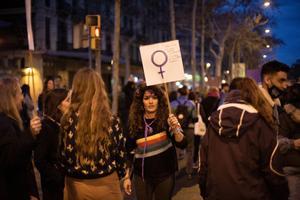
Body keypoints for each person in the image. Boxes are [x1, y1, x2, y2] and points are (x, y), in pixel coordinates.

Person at [199, 77, 288, 200]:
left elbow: (203, 166)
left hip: (216, 194)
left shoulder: (212, 125)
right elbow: (273, 169)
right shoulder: (261, 124)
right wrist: (282, 194)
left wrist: (205, 192)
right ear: (254, 94)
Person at [59, 68, 127, 200]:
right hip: (107, 185)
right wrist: (122, 174)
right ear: (100, 89)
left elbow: (63, 156)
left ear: (76, 89)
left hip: (77, 186)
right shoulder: (112, 121)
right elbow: (120, 155)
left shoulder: (67, 120)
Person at [124, 84, 187, 200]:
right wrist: (127, 177)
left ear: (159, 100)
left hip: (165, 175)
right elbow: (128, 151)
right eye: (146, 98)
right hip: (141, 176)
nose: (151, 101)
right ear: (141, 102)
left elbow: (182, 143)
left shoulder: (168, 119)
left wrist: (176, 129)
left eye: (154, 97)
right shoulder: (134, 123)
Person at [0, 75, 41, 200]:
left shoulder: (12, 120)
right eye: (19, 93)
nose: (22, 97)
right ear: (10, 98)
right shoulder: (4, 124)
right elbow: (11, 159)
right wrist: (30, 134)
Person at [34, 88, 69, 200]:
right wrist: (58, 177)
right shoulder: (46, 127)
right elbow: (40, 160)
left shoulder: (62, 124)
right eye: (68, 100)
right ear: (59, 105)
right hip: (53, 187)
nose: (72, 103)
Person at [278, 83, 300, 200]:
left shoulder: (283, 115)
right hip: (292, 168)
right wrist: (293, 143)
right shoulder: (284, 117)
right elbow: (276, 143)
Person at [171, 85, 195, 177]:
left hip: (177, 128)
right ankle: (189, 171)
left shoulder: (173, 103)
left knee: (176, 149)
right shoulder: (191, 103)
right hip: (189, 128)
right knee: (190, 149)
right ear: (187, 93)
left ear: (179, 93)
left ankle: (176, 171)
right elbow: (195, 118)